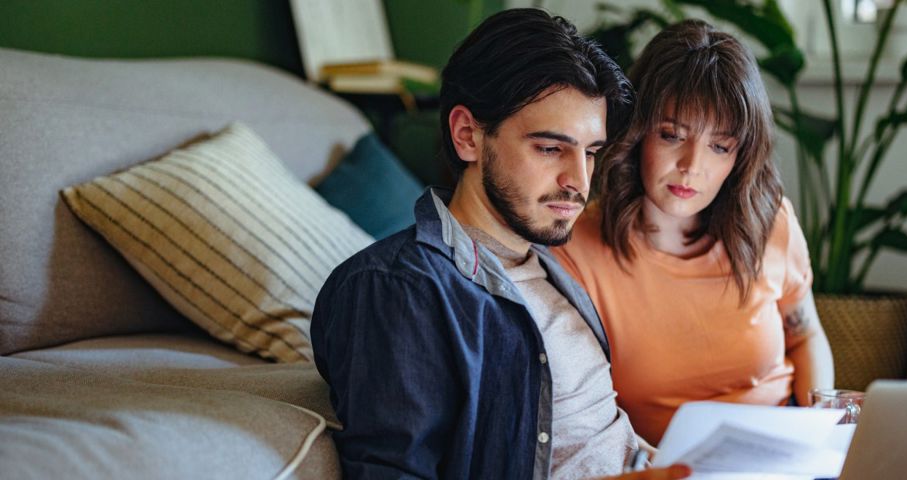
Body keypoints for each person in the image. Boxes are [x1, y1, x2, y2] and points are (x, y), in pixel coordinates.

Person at [311, 8, 691, 480]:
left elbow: (595, 436)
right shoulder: (397, 289)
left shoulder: (547, 264)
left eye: (590, 152)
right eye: (550, 148)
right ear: (467, 135)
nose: (579, 180)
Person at [552, 19, 835, 446]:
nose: (692, 165)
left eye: (719, 146)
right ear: (637, 132)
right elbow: (582, 418)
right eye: (672, 135)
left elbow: (806, 334)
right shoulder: (576, 248)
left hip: (786, 454)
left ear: (740, 155)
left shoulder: (770, 222)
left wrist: (820, 432)